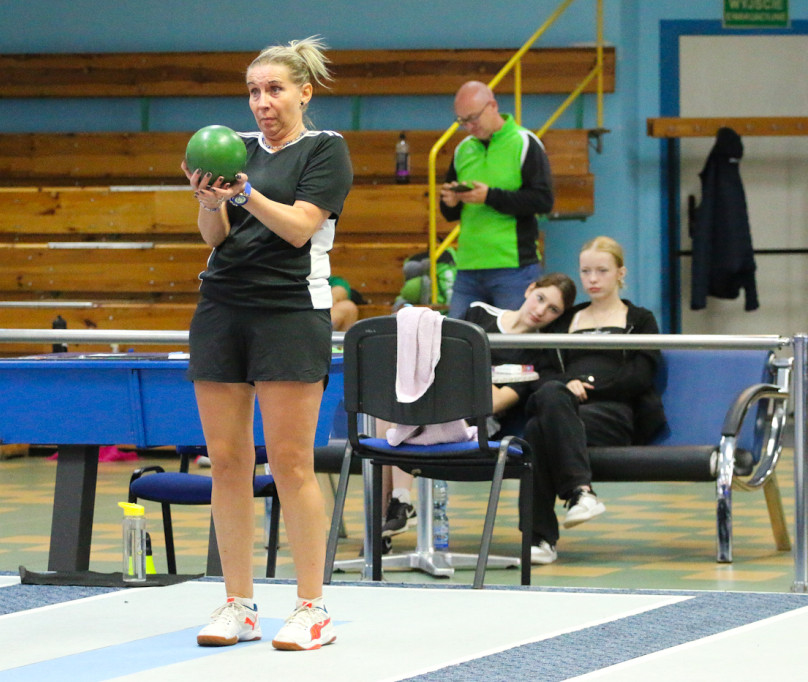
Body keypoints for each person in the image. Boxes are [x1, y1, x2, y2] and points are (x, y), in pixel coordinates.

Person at [181, 36, 353, 651]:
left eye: (275, 89)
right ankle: (238, 603)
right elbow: (216, 238)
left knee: (290, 462)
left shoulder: (325, 151)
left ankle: (313, 608)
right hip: (222, 308)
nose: (262, 102)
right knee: (226, 462)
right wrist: (210, 202)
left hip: (289, 311)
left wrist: (244, 192)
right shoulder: (237, 152)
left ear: (304, 92)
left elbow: (301, 228)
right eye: (253, 91)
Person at [378, 273, 576, 542]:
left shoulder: (537, 352)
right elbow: (440, 362)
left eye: (553, 310)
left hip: (474, 425)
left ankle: (392, 513)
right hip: (435, 402)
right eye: (540, 298)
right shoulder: (479, 314)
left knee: (401, 418)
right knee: (388, 414)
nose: (541, 311)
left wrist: (464, 378)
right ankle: (394, 509)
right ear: (530, 289)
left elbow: (492, 403)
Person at [523, 236, 665, 565]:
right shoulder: (563, 320)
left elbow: (641, 376)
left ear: (620, 273)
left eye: (602, 270)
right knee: (543, 413)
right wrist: (565, 385)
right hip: (564, 409)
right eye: (586, 271)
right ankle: (581, 493)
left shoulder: (640, 320)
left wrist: (585, 385)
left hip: (613, 415)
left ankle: (540, 537)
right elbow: (541, 373)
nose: (593, 279)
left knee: (537, 429)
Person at [438, 81, 554, 317]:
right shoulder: (462, 150)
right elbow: (451, 212)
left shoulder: (524, 143)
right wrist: (450, 203)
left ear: (492, 106)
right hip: (468, 265)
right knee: (457, 343)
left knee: (513, 345)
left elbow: (543, 200)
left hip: (513, 266)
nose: (469, 126)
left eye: (473, 118)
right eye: (462, 121)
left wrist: (490, 196)